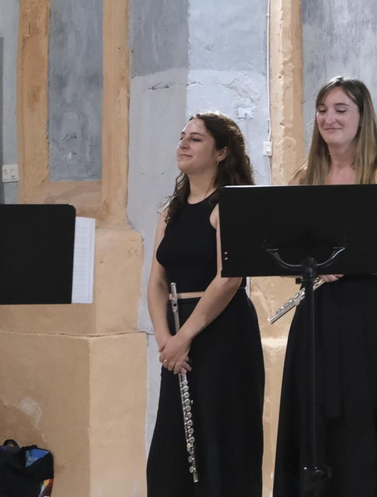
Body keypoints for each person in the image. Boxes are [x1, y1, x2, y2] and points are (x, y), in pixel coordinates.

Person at [272, 78, 377, 497]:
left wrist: (345, 259)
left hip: (369, 320)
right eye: (323, 109)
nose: (330, 118)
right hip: (318, 318)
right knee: (317, 425)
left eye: (341, 109)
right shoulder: (306, 177)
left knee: (362, 434)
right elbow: (286, 249)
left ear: (362, 116)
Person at [146, 112, 264, 496]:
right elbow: (157, 281)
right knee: (171, 452)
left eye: (196, 139)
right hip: (178, 341)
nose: (183, 143)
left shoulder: (229, 205)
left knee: (220, 444)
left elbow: (229, 278)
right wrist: (166, 340)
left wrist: (184, 338)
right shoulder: (172, 210)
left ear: (221, 152)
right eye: (183, 136)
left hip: (222, 337)